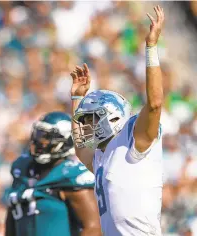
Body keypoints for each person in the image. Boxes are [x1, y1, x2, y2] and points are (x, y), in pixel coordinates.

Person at [70, 5, 164, 236]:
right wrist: (76, 99)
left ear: (111, 117)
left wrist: (151, 48)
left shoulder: (132, 140)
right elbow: (81, 148)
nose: (86, 127)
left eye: (90, 120)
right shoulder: (103, 154)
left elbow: (155, 104)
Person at [5, 111, 102, 236]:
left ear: (64, 141)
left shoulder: (71, 176)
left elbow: (93, 228)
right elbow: (12, 217)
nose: (38, 140)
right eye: (38, 134)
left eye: (46, 137)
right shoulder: (22, 169)